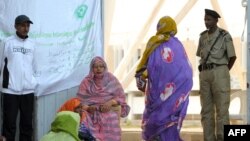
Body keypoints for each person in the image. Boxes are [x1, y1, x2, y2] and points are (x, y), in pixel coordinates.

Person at [135, 16, 193, 141]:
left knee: (156, 118)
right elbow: (186, 70)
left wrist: (140, 76)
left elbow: (147, 65)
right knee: (171, 116)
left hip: (159, 90)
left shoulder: (154, 42)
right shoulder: (178, 45)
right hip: (179, 88)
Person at [196, 9, 236, 141]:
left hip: (220, 72)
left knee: (222, 111)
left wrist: (223, 71)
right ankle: (208, 138)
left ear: (216, 20)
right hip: (205, 74)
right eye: (205, 19)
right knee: (206, 111)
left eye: (209, 19)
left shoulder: (225, 36)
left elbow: (232, 57)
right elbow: (200, 57)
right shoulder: (202, 37)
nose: (206, 22)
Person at [0, 15, 37, 141]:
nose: (25, 28)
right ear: (15, 26)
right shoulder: (7, 42)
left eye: (27, 25)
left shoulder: (32, 44)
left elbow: (34, 66)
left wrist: (33, 82)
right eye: (22, 25)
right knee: (9, 125)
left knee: (27, 125)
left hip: (28, 91)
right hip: (10, 91)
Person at [77, 56, 130, 141]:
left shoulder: (111, 79)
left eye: (101, 66)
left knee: (111, 119)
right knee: (84, 119)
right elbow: (79, 102)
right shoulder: (86, 82)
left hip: (107, 110)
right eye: (96, 67)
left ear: (105, 68)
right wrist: (88, 108)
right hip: (90, 112)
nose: (99, 69)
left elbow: (120, 96)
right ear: (92, 68)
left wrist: (111, 102)